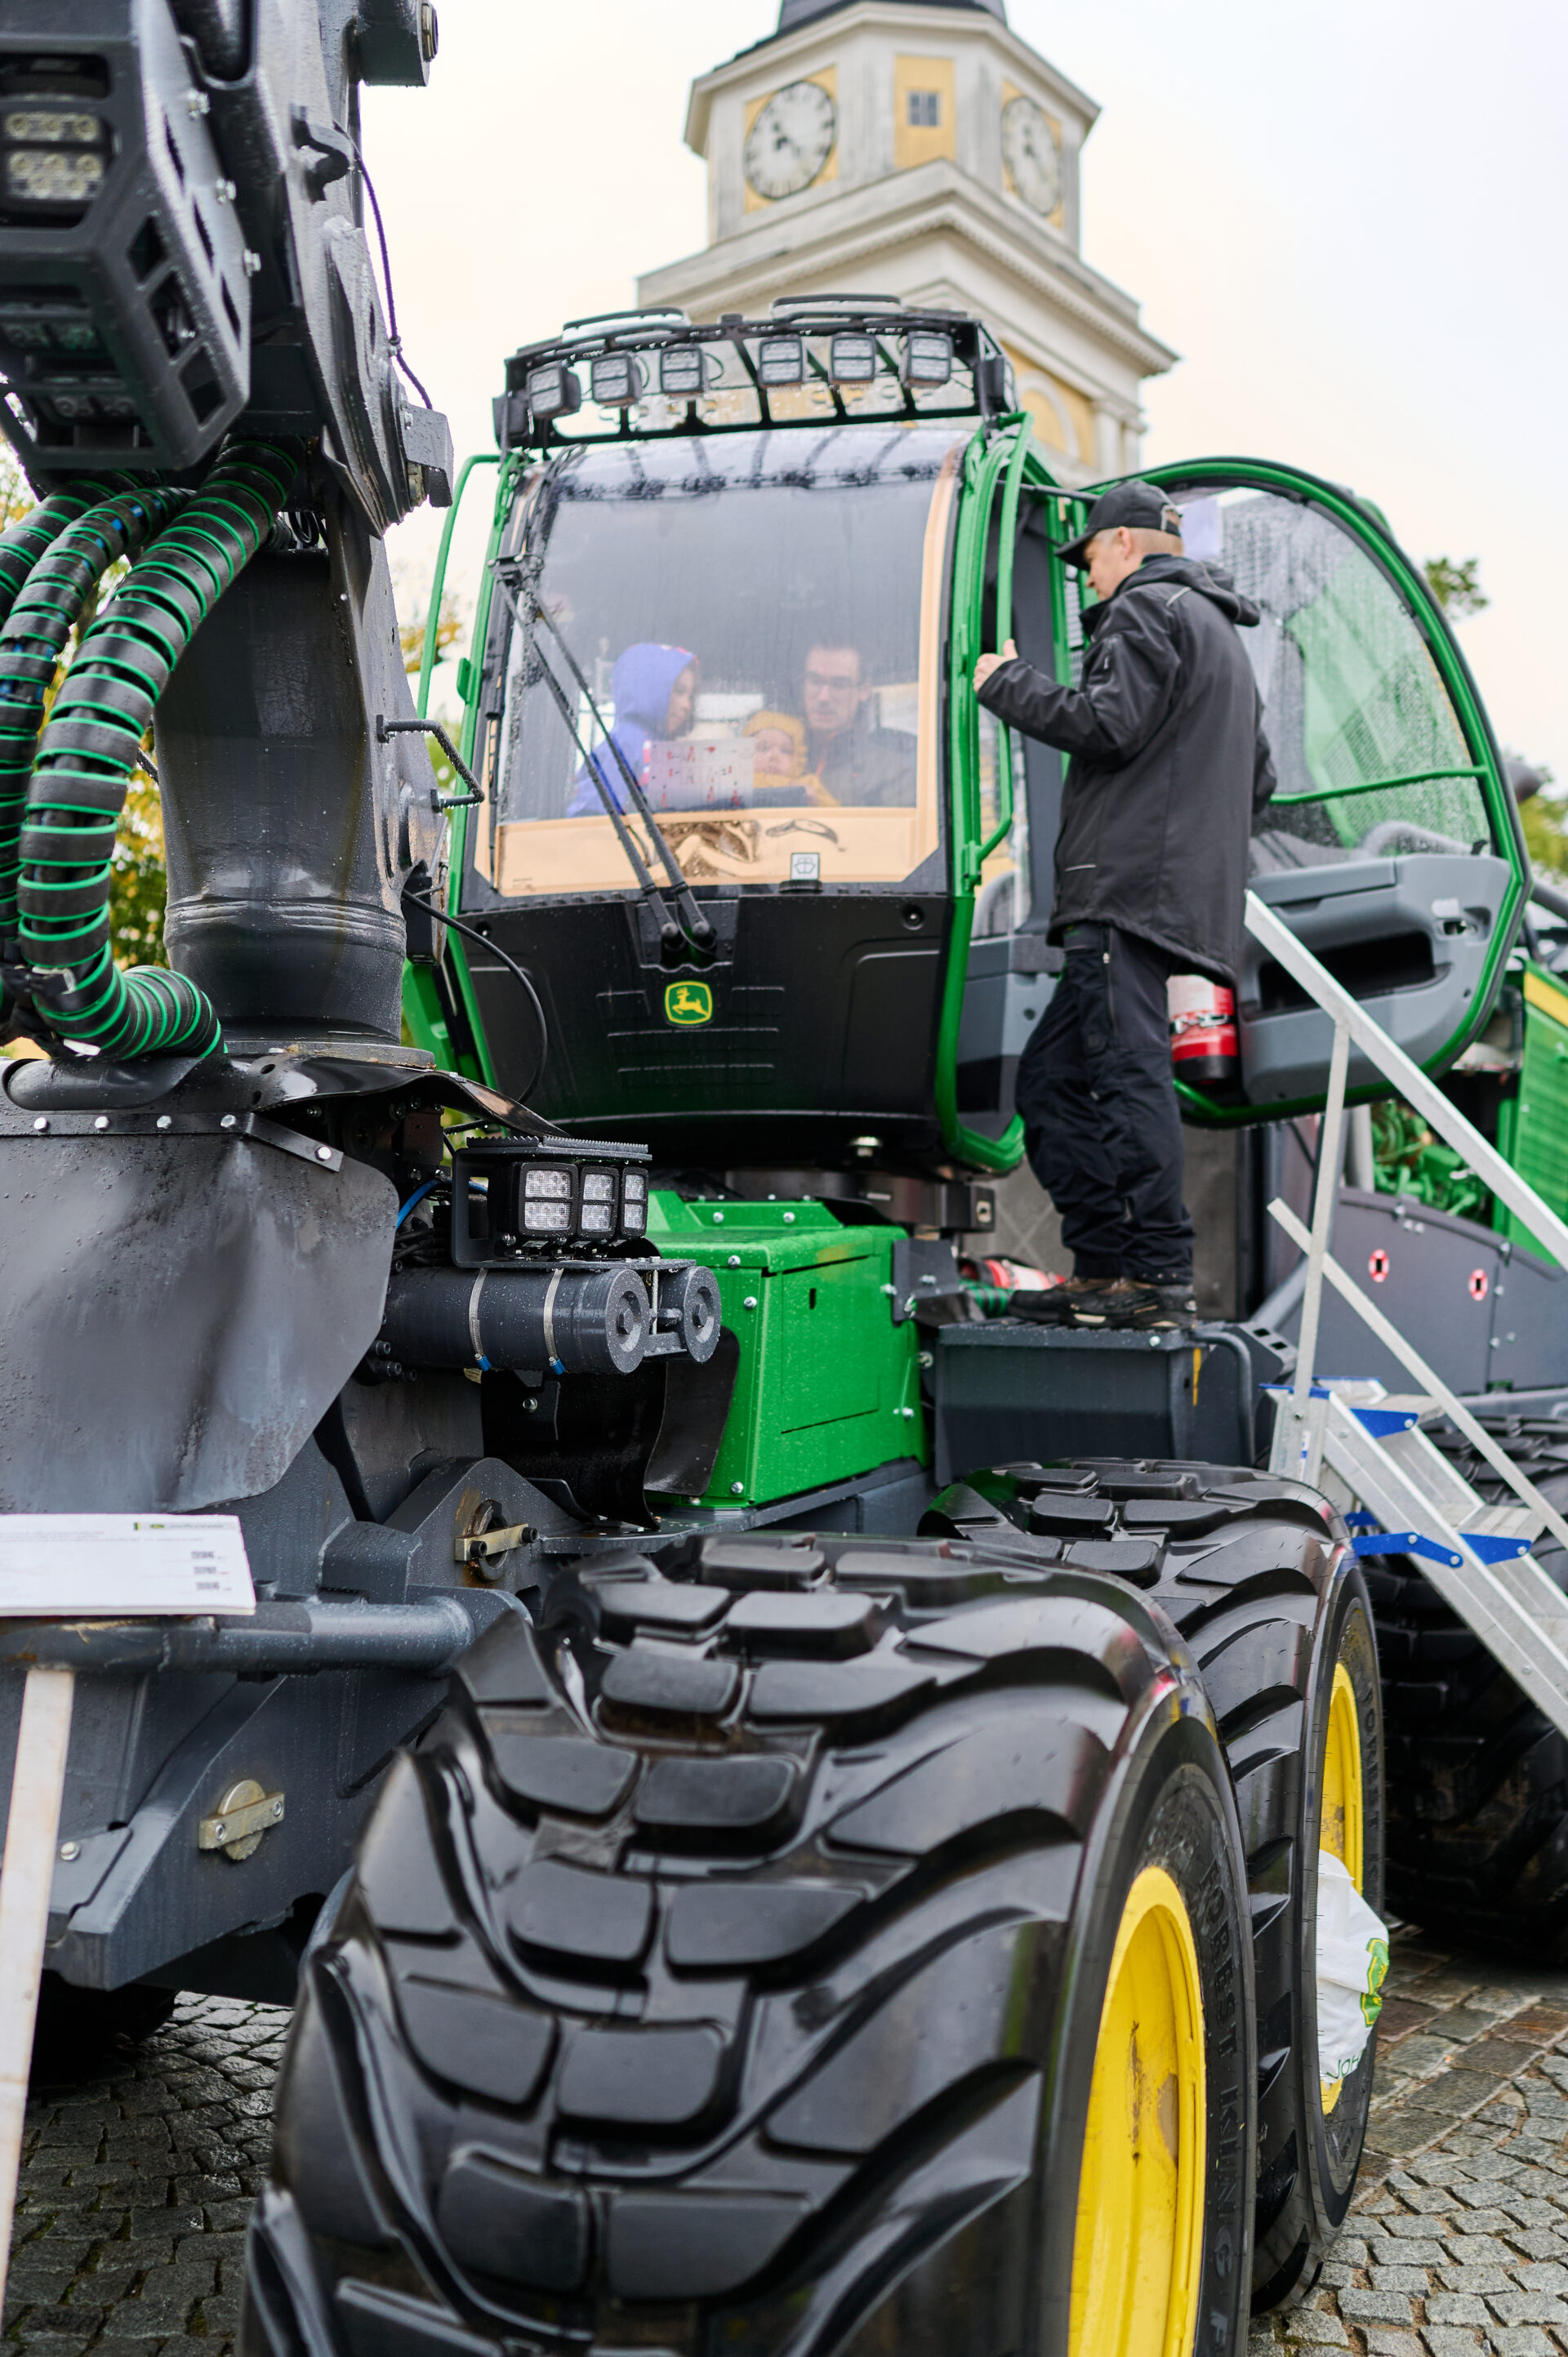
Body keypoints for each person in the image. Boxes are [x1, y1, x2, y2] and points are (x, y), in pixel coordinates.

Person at [973, 479, 1276, 1327]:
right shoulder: (1223, 636)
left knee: (1122, 1075)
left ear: (1123, 544)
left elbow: (1108, 724)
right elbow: (1259, 782)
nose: (1089, 579)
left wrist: (1006, 684)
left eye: (1090, 560)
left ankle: (1156, 1273)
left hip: (1126, 893)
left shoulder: (1146, 611)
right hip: (1175, 899)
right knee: (1053, 1081)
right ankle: (1105, 1267)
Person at [567, 642, 695, 816]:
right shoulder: (627, 741)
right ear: (651, 688)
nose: (687, 705)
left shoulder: (660, 745)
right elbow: (593, 816)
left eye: (690, 696)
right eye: (679, 691)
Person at [800, 642, 915, 806]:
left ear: (864, 690)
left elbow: (895, 831)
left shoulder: (890, 773)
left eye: (839, 685)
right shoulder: (770, 755)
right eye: (815, 682)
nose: (823, 697)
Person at [741, 708, 835, 807]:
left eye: (786, 751)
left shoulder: (808, 785)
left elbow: (835, 815)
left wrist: (815, 802)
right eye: (763, 748)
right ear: (746, 752)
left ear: (798, 757)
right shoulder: (738, 784)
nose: (774, 756)